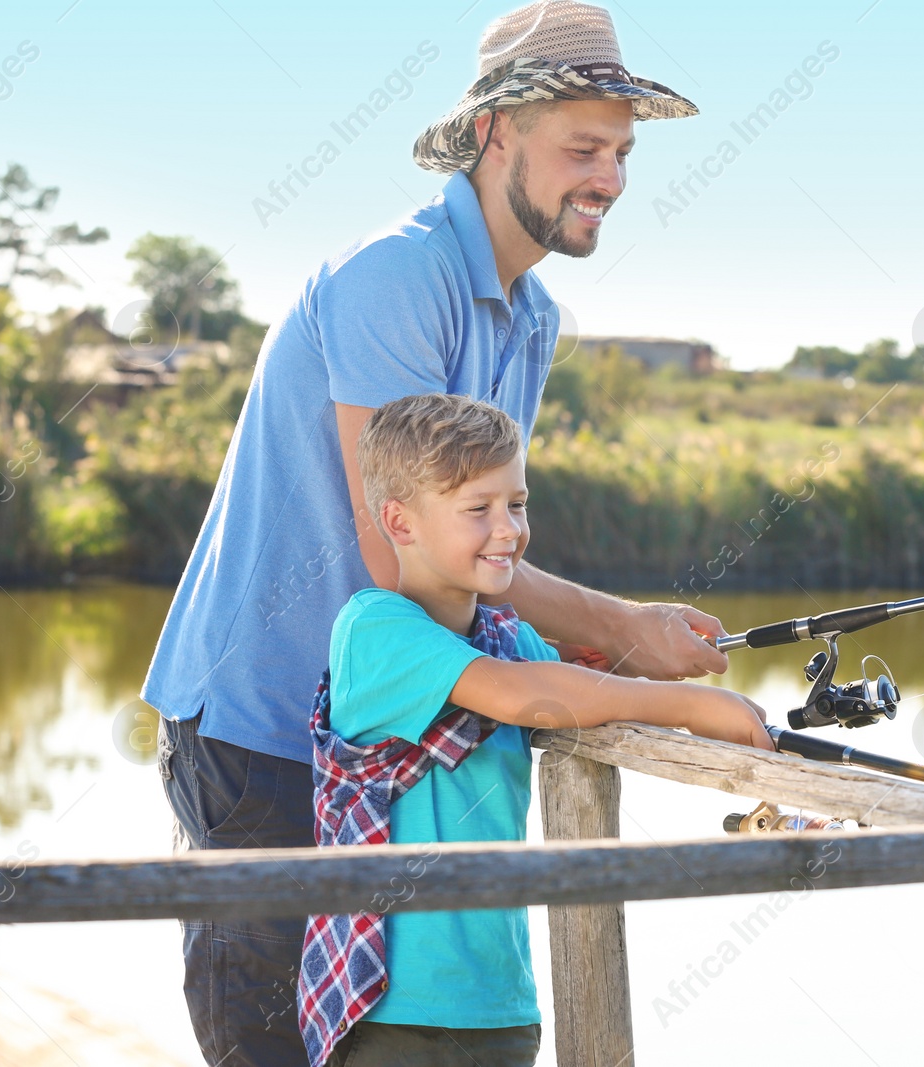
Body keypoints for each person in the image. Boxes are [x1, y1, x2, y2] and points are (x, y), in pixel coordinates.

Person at [142, 3, 712, 1063]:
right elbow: (402, 549)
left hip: (382, 739)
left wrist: (590, 641)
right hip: (263, 733)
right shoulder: (394, 277)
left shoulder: (531, 317)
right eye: (583, 148)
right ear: (497, 131)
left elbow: (480, 544)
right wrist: (619, 627)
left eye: (622, 152)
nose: (612, 178)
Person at [297, 393, 772, 1067]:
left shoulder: (509, 637)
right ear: (399, 522)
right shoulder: (373, 630)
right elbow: (525, 695)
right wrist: (694, 706)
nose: (508, 529)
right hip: (392, 1009)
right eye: (477, 509)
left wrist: (634, 656)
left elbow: (570, 686)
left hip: (500, 1004)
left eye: (516, 503)